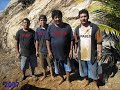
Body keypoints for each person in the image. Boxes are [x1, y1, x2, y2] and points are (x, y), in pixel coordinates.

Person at [74, 9, 102, 90]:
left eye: (85, 16)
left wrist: (99, 52)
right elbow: (76, 42)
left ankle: (95, 83)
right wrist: (75, 52)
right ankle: (86, 80)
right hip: (81, 54)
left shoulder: (94, 28)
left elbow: (99, 41)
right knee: (83, 70)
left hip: (92, 54)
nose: (83, 18)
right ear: (79, 18)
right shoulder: (77, 29)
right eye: (81, 17)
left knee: (94, 70)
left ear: (88, 17)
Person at [45, 10, 74, 84]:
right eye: (55, 17)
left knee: (67, 67)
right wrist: (49, 51)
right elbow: (47, 40)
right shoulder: (50, 28)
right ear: (53, 18)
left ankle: (67, 79)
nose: (57, 19)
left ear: (61, 17)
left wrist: (71, 50)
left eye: (59, 17)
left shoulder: (67, 26)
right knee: (57, 69)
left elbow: (71, 39)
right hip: (55, 54)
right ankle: (62, 78)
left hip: (65, 52)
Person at [35, 15, 54, 81]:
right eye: (41, 20)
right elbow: (37, 41)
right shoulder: (37, 30)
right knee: (43, 65)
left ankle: (52, 75)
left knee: (50, 64)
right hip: (41, 50)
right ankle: (44, 75)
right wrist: (36, 51)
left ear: (46, 21)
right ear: (39, 21)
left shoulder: (50, 28)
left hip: (49, 50)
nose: (42, 21)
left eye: (44, 20)